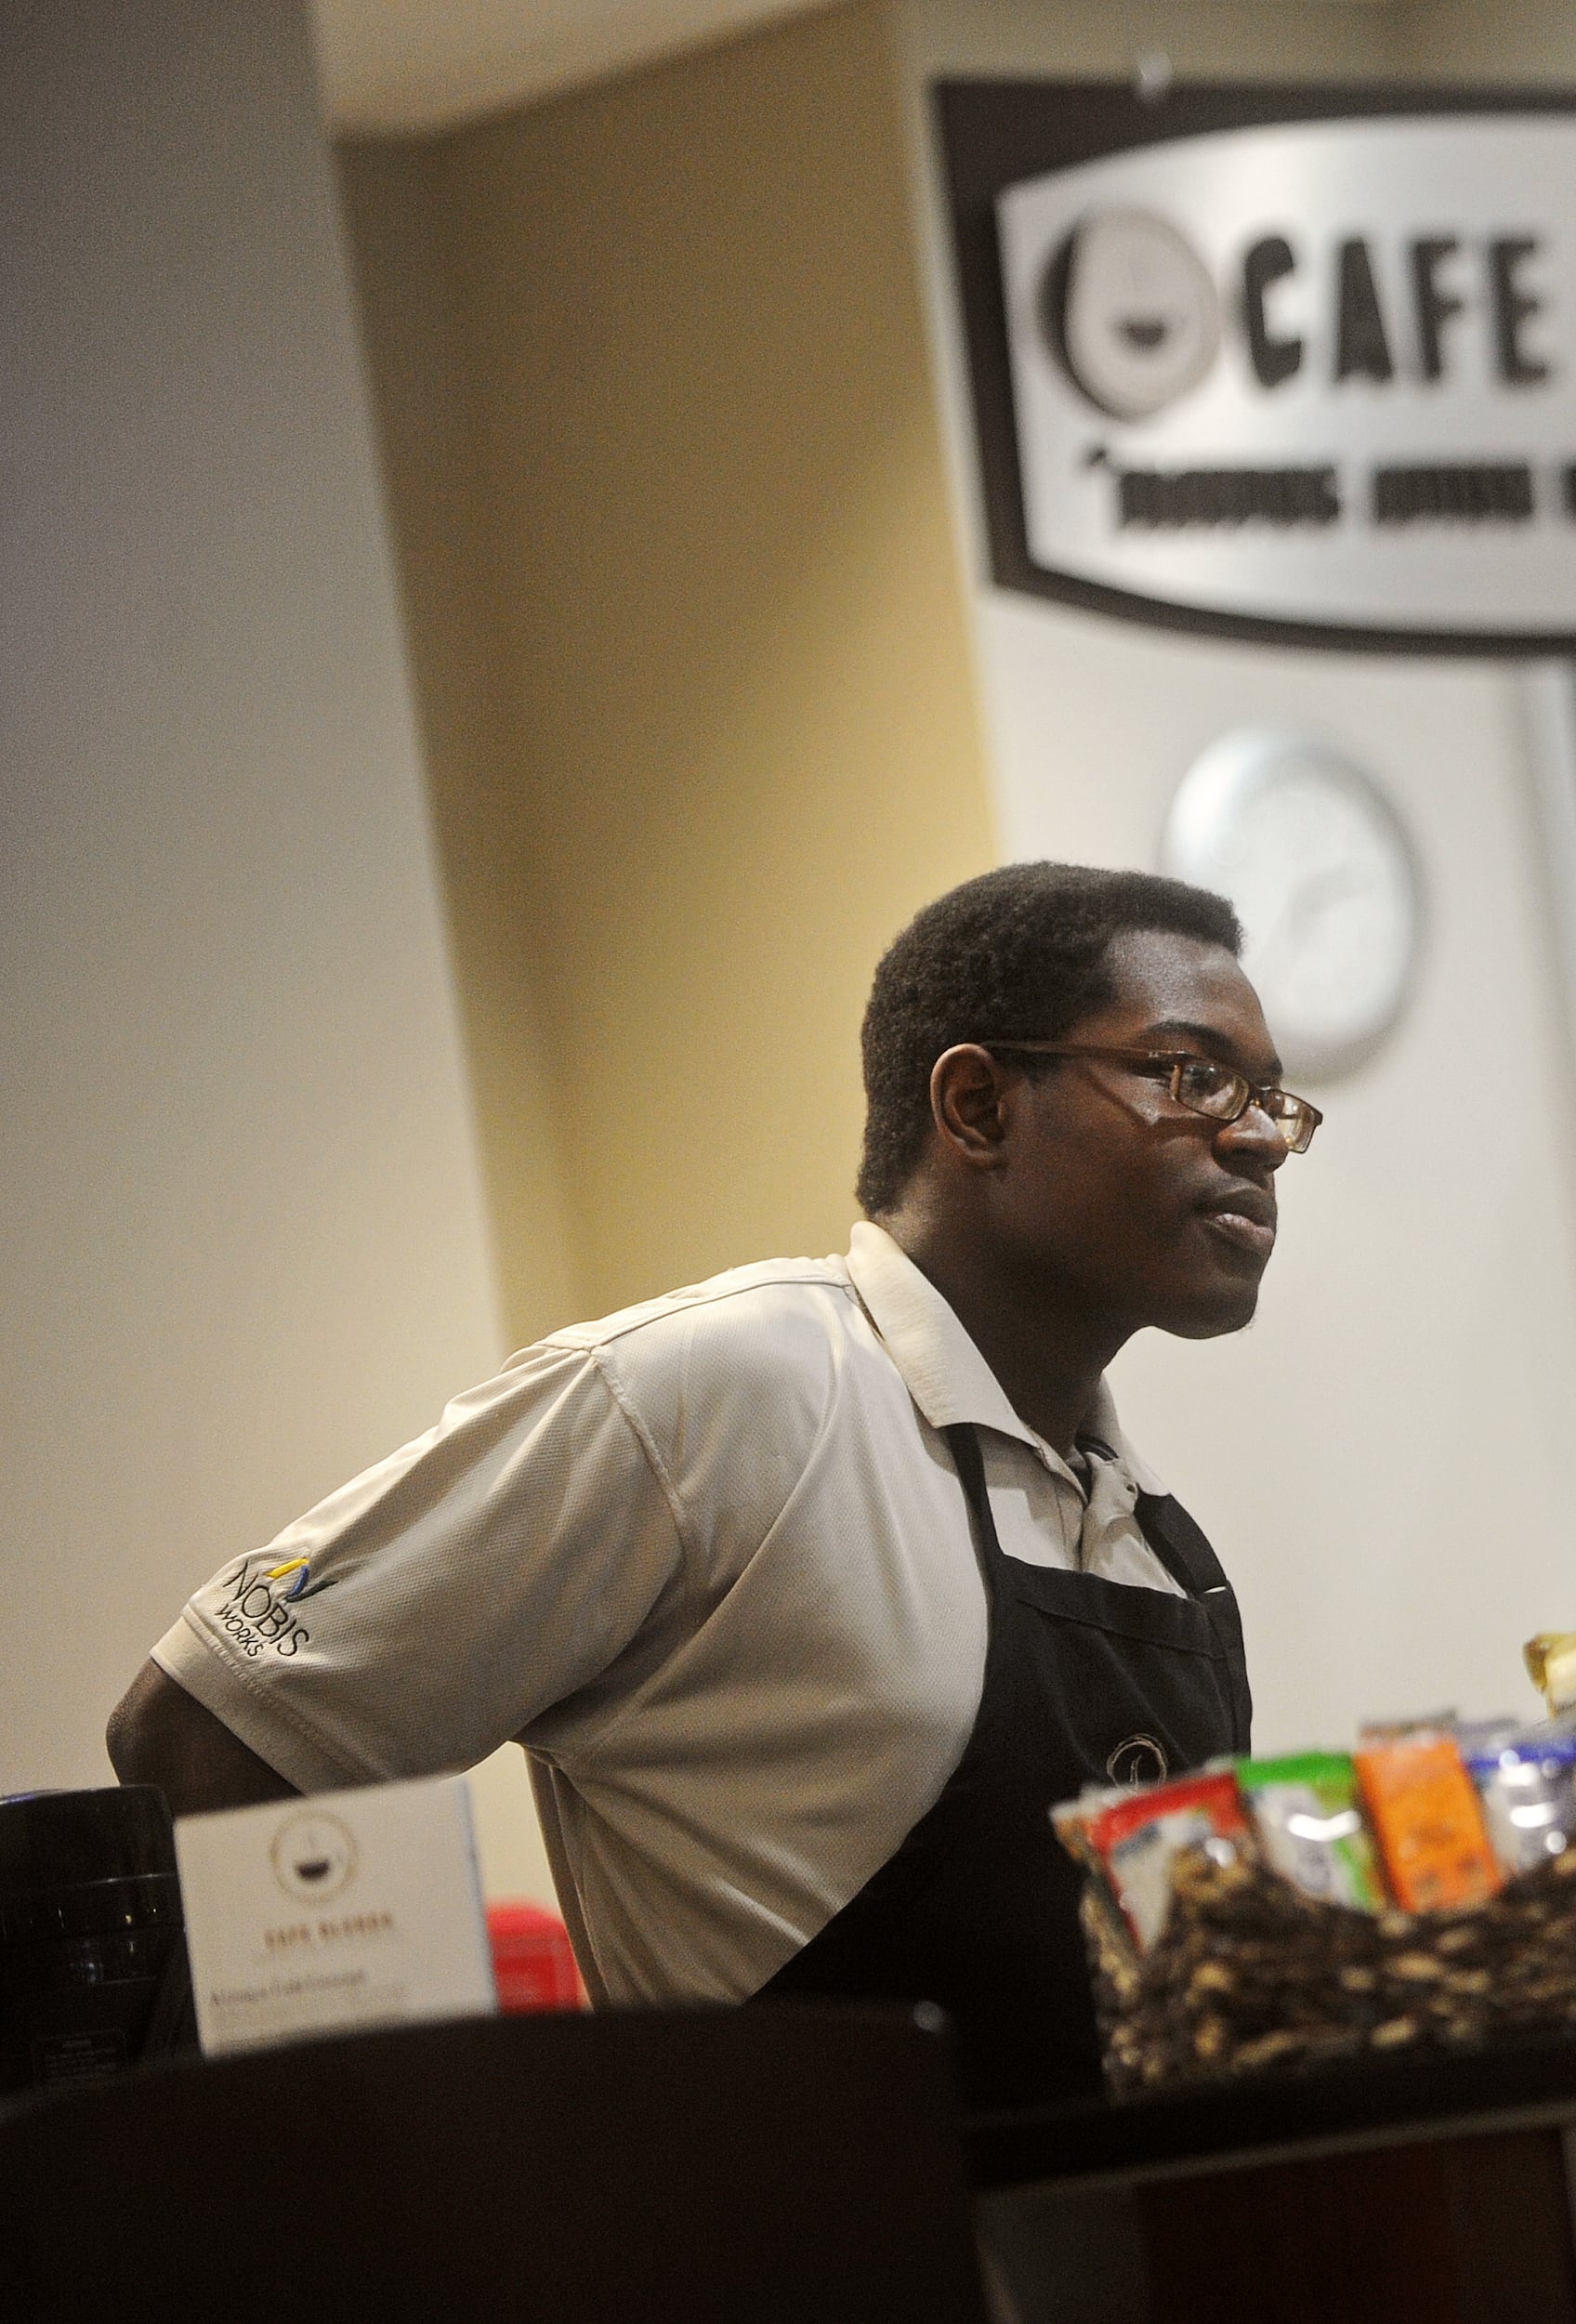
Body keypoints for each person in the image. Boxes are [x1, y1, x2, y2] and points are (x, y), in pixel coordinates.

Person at [105, 862, 1318, 2107]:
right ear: (976, 1105)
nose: (1261, 1137)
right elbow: (215, 1725)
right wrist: (408, 2162)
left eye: (1275, 1097)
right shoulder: (721, 1395)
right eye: (1195, 1075)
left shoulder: (1165, 1549)